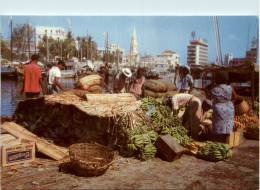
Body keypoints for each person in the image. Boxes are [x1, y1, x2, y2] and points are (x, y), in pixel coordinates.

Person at [211, 74, 237, 144]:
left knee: (218, 126)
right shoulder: (230, 88)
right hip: (229, 108)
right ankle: (226, 144)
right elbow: (235, 97)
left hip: (218, 108)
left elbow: (213, 98)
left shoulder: (214, 89)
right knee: (228, 126)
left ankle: (218, 143)